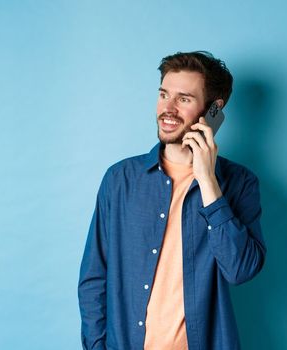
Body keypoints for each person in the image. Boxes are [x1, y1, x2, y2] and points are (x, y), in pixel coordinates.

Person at [77, 51, 267, 350]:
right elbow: (93, 277)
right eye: (164, 94)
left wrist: (207, 180)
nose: (168, 108)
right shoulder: (120, 179)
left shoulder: (239, 183)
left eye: (184, 99)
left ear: (213, 111)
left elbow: (240, 270)